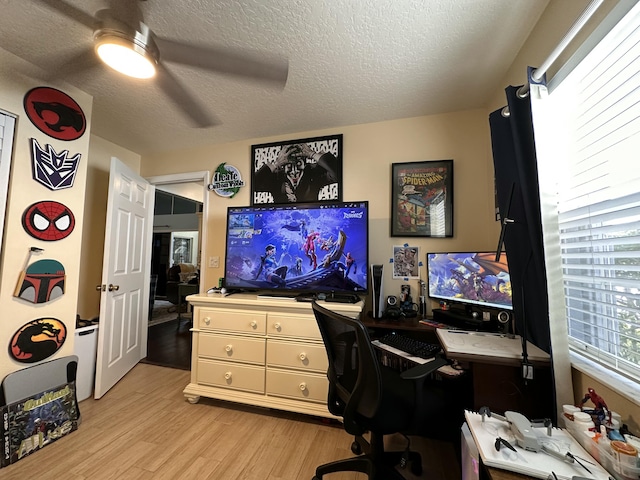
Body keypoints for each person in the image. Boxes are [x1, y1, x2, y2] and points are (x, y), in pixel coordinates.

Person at [253, 143, 339, 203]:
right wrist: (276, 163)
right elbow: (253, 186)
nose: (294, 171)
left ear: (305, 164)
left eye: (298, 164)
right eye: (289, 166)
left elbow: (338, 175)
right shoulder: (276, 177)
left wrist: (312, 154)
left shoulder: (313, 172)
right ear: (283, 166)